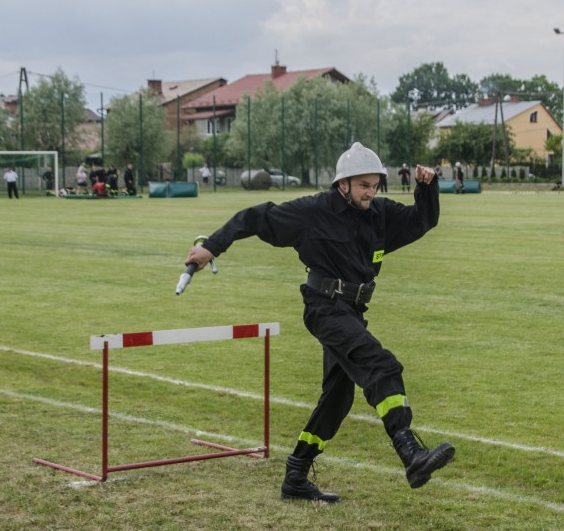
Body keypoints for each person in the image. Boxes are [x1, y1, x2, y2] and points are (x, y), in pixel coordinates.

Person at [184, 142, 454, 503]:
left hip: (352, 312)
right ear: (343, 184)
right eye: (363, 185)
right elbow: (256, 217)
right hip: (324, 308)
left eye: (375, 185)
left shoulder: (380, 214)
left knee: (338, 397)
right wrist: (211, 247)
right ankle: (410, 452)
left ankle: (295, 476)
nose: (370, 192)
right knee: (381, 365)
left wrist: (427, 187)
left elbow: (423, 220)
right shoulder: (312, 211)